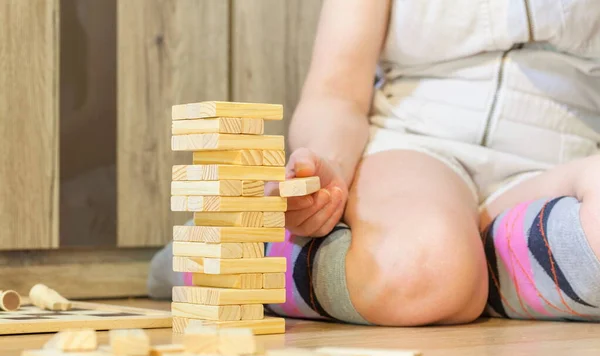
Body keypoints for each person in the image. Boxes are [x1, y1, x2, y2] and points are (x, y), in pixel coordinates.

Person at [149, 0, 600, 325]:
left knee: (441, 273)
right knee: (425, 268)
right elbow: (336, 92)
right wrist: (328, 172)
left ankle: (472, 270)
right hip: (419, 146)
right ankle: (233, 256)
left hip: (559, 159)